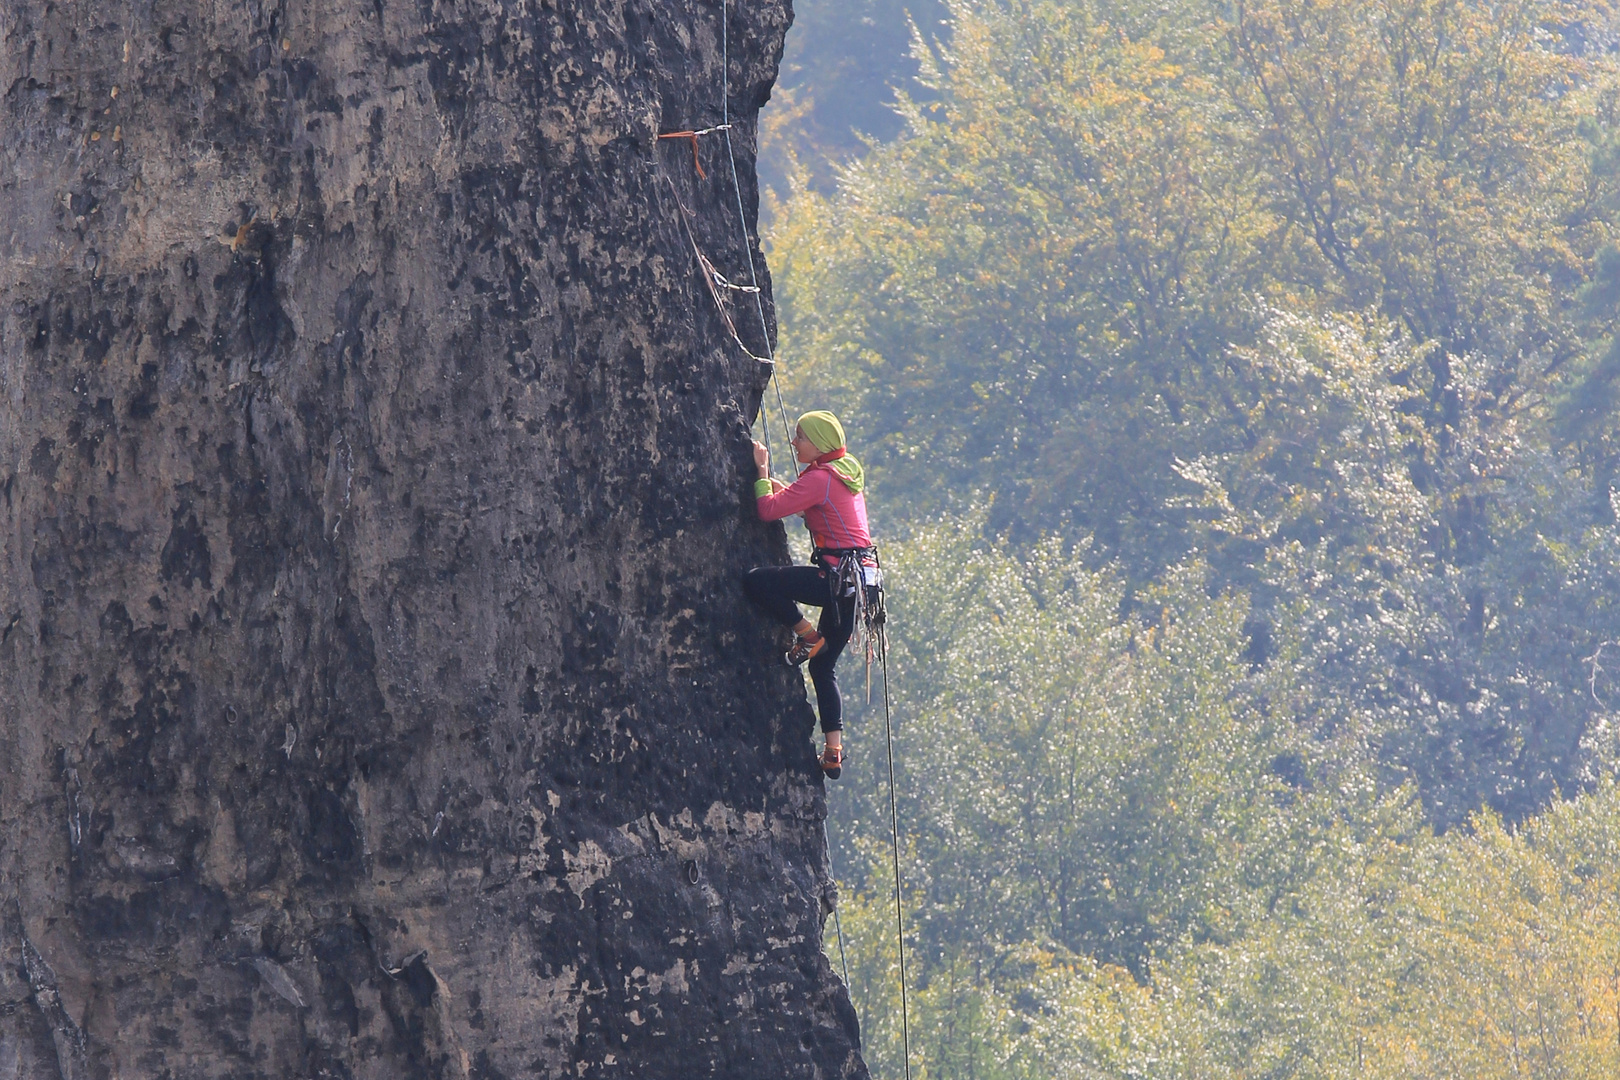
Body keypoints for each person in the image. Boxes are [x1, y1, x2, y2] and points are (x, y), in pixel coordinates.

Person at [744, 411, 874, 780]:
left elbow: (769, 510)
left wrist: (760, 471)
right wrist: (778, 483)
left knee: (756, 581)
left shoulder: (820, 478)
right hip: (857, 584)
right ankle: (833, 751)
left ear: (819, 444)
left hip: (833, 580)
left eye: (800, 437)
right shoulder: (845, 471)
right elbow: (809, 500)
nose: (794, 442)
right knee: (822, 666)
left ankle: (807, 634)